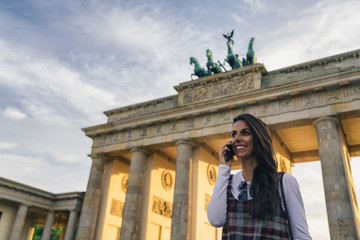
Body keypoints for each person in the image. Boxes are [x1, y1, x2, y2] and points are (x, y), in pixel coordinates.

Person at [207, 113, 312, 239]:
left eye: (245, 133)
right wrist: (224, 168)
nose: (237, 138)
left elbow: (301, 236)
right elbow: (215, 220)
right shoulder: (228, 183)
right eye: (234, 134)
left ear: (258, 139)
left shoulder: (283, 182)